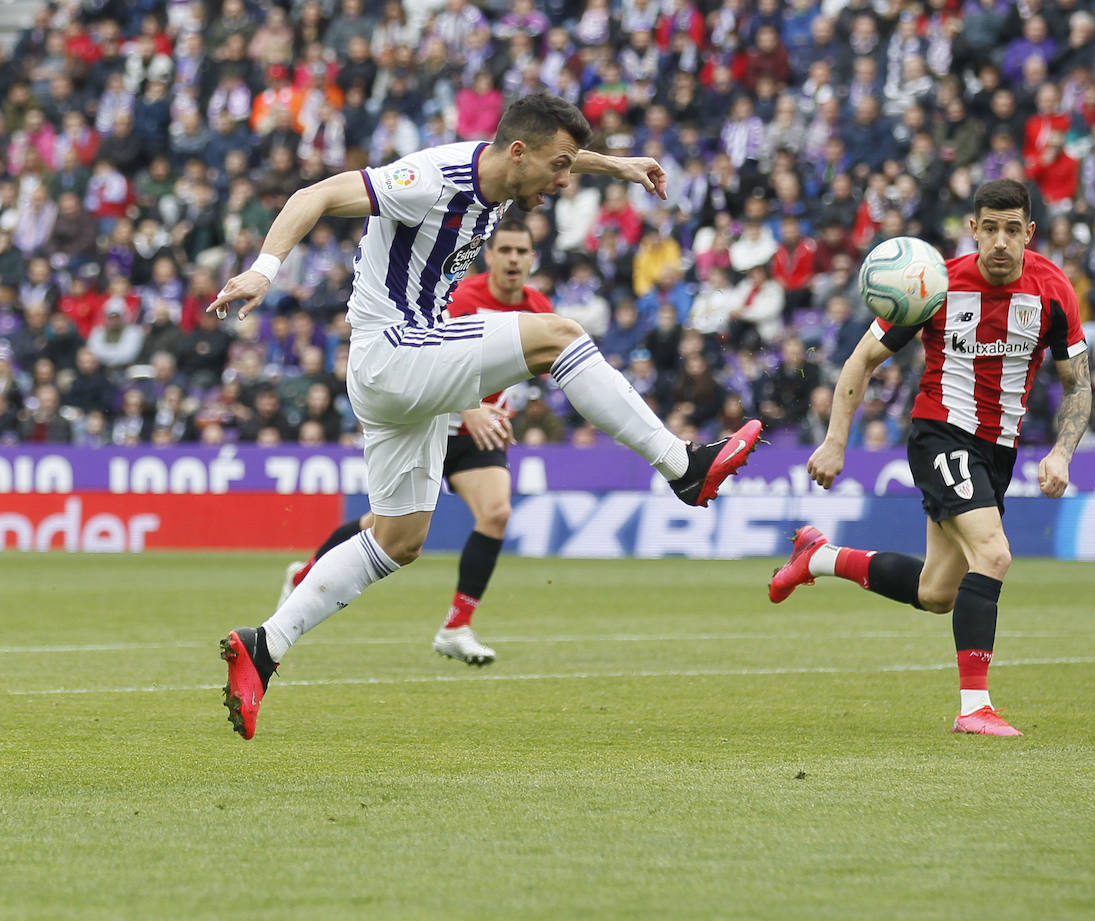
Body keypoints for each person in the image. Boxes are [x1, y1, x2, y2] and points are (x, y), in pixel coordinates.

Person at [210, 94, 763, 739]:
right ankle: (683, 466)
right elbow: (315, 195)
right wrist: (263, 270)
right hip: (393, 352)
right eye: (558, 168)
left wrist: (614, 166)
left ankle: (265, 646)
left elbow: (555, 152)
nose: (562, 181)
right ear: (520, 154)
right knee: (558, 335)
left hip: (398, 370)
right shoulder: (432, 179)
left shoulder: (510, 171)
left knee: (399, 538)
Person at [768, 179, 1091, 737]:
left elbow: (1078, 385)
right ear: (973, 229)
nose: (999, 242)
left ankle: (819, 557)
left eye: (1012, 230)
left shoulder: (1054, 291)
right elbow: (862, 359)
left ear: (1029, 234)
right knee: (993, 554)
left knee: (938, 592)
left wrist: (1062, 452)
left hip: (999, 449)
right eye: (989, 228)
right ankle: (974, 709)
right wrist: (836, 440)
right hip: (941, 432)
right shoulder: (934, 285)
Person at [278, 215, 550, 666]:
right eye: (506, 250)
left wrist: (514, 405)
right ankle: (305, 576)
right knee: (381, 530)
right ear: (490, 255)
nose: (514, 259)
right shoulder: (463, 297)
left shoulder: (538, 306)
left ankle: (457, 626)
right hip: (434, 420)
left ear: (532, 257)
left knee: (497, 512)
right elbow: (434, 353)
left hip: (479, 435)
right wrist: (471, 404)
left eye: (522, 252)